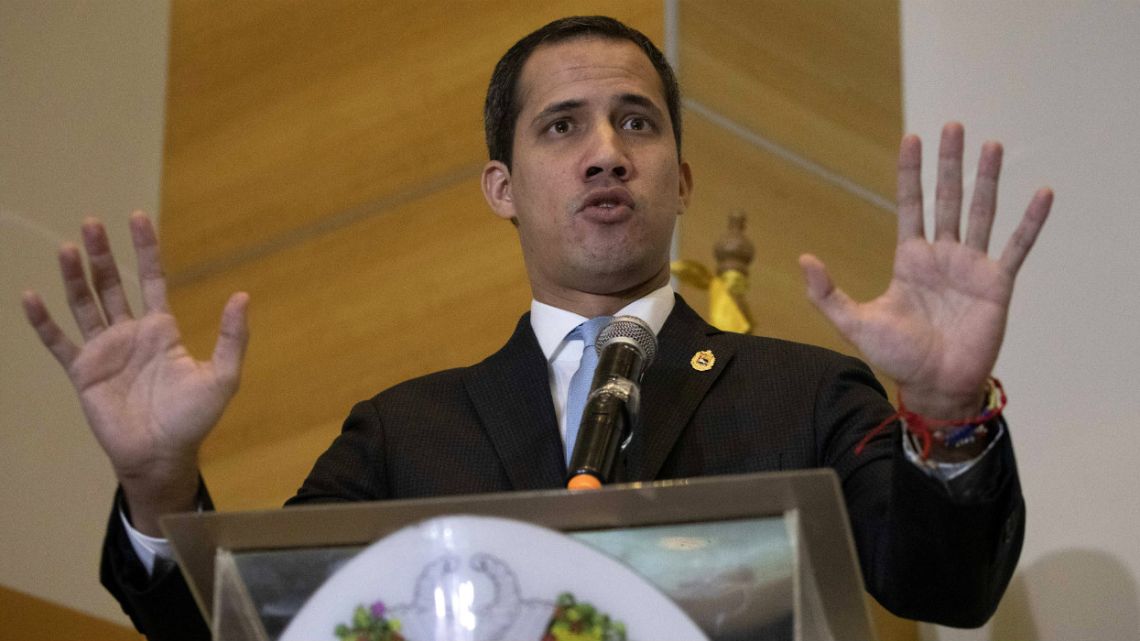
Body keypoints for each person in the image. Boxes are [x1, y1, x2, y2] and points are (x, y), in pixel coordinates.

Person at [21, 16, 1052, 641]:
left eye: (636, 122)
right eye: (564, 126)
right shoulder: (401, 432)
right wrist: (160, 488)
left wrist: (950, 412)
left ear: (682, 179)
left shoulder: (805, 393)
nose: (606, 152)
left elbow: (944, 586)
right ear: (502, 187)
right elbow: (246, 627)